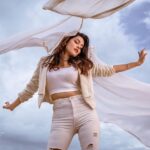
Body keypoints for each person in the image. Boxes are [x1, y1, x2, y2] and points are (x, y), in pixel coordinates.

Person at [3, 32, 147, 150]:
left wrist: (136, 63)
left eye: (82, 46)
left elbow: (109, 70)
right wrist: (12, 105)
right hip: (60, 116)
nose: (79, 46)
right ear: (66, 41)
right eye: (77, 41)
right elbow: (31, 88)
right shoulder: (44, 63)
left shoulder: (82, 65)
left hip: (86, 112)